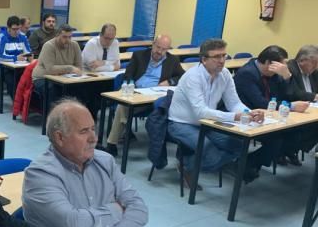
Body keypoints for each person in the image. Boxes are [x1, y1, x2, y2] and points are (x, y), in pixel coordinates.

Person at [24, 99, 147, 227]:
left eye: (93, 129)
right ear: (59, 137)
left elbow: (139, 210)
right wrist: (116, 209)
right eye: (83, 131)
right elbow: (72, 223)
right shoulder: (40, 175)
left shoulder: (105, 161)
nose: (94, 138)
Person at [168, 38, 266, 185]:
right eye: (217, 57)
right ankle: (186, 166)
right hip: (182, 123)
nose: (221, 60)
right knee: (208, 149)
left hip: (208, 122)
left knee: (238, 145)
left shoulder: (225, 74)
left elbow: (234, 102)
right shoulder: (193, 77)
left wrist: (248, 112)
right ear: (204, 59)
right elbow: (200, 112)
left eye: (224, 56)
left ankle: (192, 162)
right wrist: (236, 116)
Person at [104, 35, 185, 156]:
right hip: (138, 93)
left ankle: (128, 133)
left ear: (168, 49)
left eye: (164, 49)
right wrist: (130, 85)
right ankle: (112, 144)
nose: (159, 51)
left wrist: (170, 82)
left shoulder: (172, 60)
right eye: (158, 47)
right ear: (153, 44)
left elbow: (182, 76)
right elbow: (128, 75)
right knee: (122, 107)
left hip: (157, 98)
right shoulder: (139, 56)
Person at [234, 45, 309, 166]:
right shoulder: (247, 74)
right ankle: (248, 164)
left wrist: (287, 77)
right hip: (248, 115)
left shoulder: (274, 74)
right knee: (277, 139)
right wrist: (292, 106)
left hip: (270, 115)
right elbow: (261, 103)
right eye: (281, 65)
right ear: (269, 63)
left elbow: (289, 96)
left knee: (297, 133)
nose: (283, 68)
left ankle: (259, 161)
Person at [32, 24, 82, 108]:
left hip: (64, 78)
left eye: (70, 37)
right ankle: (52, 118)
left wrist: (74, 70)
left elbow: (79, 67)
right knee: (54, 89)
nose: (67, 40)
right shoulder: (49, 46)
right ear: (57, 35)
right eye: (64, 37)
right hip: (43, 78)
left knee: (82, 88)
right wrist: (70, 68)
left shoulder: (75, 45)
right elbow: (50, 69)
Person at [0, 15, 31, 97]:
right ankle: (17, 103)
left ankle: (28, 102)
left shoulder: (23, 37)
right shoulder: (1, 37)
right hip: (1, 67)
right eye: (14, 29)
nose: (16, 32)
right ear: (8, 28)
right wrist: (15, 58)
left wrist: (30, 58)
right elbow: (0, 57)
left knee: (29, 78)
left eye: (18, 29)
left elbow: (28, 52)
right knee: (11, 79)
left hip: (18, 66)